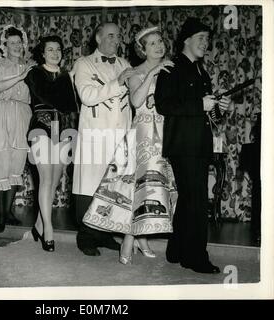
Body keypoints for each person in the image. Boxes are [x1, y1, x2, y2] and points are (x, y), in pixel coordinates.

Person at [82, 27, 178, 265]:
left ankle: (140, 236)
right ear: (142, 49)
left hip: (165, 132)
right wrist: (152, 72)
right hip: (143, 132)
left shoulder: (172, 68)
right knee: (138, 188)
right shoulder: (135, 71)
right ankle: (129, 236)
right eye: (152, 43)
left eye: (160, 41)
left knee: (154, 189)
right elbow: (136, 101)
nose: (158, 46)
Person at [154, 17, 230, 273]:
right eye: (201, 38)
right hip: (183, 145)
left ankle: (175, 250)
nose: (206, 43)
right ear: (186, 39)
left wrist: (218, 109)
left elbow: (207, 114)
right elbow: (164, 104)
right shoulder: (171, 68)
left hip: (199, 144)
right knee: (196, 201)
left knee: (189, 199)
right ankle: (195, 257)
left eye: (208, 39)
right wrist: (201, 105)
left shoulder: (201, 71)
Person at [72, 22, 136, 256]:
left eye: (118, 36)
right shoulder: (84, 63)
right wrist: (118, 82)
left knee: (114, 187)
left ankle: (106, 232)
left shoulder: (125, 64)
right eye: (110, 36)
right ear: (98, 38)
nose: (115, 40)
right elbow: (87, 96)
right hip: (95, 135)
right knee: (91, 187)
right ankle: (87, 236)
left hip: (120, 136)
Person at [25, 35, 79, 251]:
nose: (55, 53)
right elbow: (47, 97)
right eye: (50, 50)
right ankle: (48, 229)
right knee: (46, 179)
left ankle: (38, 224)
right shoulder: (35, 73)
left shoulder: (66, 76)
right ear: (42, 53)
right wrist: (66, 82)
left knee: (55, 181)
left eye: (58, 49)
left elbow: (72, 106)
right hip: (42, 125)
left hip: (63, 128)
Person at [0, 25, 35, 232]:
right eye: (11, 43)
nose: (16, 46)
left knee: (17, 163)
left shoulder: (31, 66)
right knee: (1, 162)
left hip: (23, 115)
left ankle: (8, 211)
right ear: (4, 46)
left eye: (19, 42)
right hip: (1, 113)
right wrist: (20, 76)